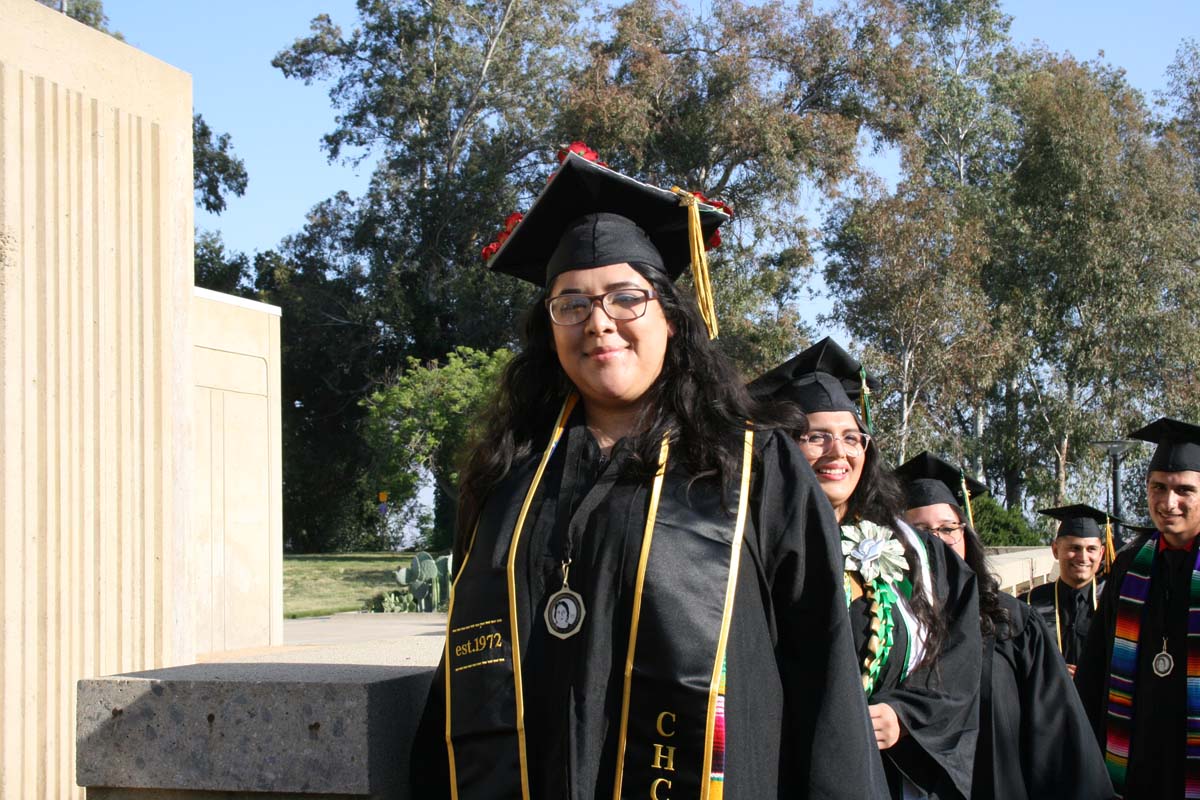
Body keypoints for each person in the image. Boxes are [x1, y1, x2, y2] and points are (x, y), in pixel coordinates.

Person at [410, 148, 887, 799]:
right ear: (549, 329)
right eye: (571, 304)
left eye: (626, 298)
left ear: (671, 316)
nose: (599, 322)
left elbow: (822, 669)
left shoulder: (755, 467)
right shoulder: (508, 478)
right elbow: (465, 678)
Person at [750, 340, 980, 799]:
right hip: (774, 766)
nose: (838, 452)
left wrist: (905, 715)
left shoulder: (915, 553)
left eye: (852, 437)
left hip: (880, 773)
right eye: (815, 436)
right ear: (780, 447)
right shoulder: (748, 543)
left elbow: (959, 651)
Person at [895, 453, 1114, 800]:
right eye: (920, 531)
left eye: (948, 529)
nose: (937, 541)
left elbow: (1056, 735)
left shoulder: (1012, 621)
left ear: (965, 534)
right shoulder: (886, 623)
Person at [1076, 417, 1200, 798]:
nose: (1168, 502)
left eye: (1184, 490)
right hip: (1136, 758)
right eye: (1158, 487)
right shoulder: (1130, 567)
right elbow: (1095, 669)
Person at [1019, 505, 1115, 675]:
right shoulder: (1028, 604)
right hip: (1048, 691)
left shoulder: (1114, 602)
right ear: (1055, 550)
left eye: (1091, 549)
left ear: (1101, 553)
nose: (1083, 557)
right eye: (1074, 548)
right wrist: (1053, 673)